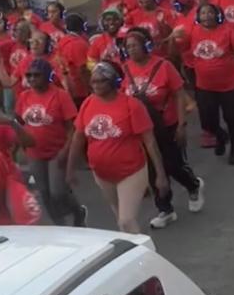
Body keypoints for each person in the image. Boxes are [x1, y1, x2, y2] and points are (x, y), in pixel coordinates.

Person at [67, 62, 167, 235]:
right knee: (121, 220)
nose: (96, 85)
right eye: (94, 82)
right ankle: (133, 254)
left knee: (126, 220)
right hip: (102, 174)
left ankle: (146, 255)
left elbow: (149, 141)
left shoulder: (132, 105)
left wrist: (160, 175)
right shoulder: (88, 103)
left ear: (114, 81)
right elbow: (78, 137)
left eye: (101, 81)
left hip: (131, 171)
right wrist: (70, 169)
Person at [121, 30, 204, 228]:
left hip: (167, 125)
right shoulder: (125, 69)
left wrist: (182, 124)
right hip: (142, 128)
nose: (131, 50)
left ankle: (193, 185)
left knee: (173, 164)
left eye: (135, 45)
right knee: (153, 169)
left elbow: (178, 94)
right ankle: (165, 208)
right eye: (128, 47)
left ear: (147, 46)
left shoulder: (164, 66)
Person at [14, 57, 86, 227]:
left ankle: (77, 210)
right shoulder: (24, 96)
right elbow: (19, 123)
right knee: (44, 193)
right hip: (34, 152)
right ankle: (59, 225)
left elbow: (72, 128)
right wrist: (18, 146)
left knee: (57, 192)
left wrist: (65, 150)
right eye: (29, 75)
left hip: (57, 151)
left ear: (47, 76)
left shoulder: (60, 96)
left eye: (36, 75)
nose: (31, 79)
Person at [181, 2, 234, 166]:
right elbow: (178, 50)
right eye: (203, 13)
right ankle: (220, 136)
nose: (206, 16)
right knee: (207, 122)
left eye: (210, 13)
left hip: (230, 85)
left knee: (232, 118)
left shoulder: (228, 30)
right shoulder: (192, 32)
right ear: (198, 17)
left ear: (217, 15)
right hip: (205, 86)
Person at [53, 13, 95, 102]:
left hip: (66, 88)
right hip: (80, 92)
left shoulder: (62, 42)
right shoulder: (78, 44)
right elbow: (83, 69)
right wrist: (91, 88)